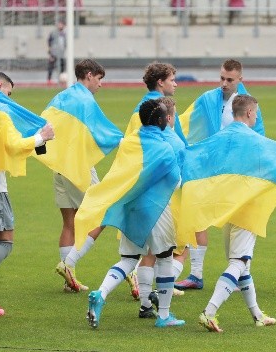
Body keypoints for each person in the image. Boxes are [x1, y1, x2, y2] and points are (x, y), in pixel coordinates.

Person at [177, 94, 276, 332]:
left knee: (243, 265)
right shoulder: (254, 140)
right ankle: (209, 312)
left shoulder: (220, 137)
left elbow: (196, 154)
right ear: (251, 113)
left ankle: (257, 315)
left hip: (227, 209)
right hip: (247, 209)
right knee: (239, 262)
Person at [83, 99, 185, 329]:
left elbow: (120, 174)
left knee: (129, 260)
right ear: (161, 120)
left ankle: (101, 293)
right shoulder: (165, 148)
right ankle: (164, 316)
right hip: (157, 209)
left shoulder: (129, 143)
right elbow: (175, 182)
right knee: (165, 258)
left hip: (131, 207)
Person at [174, 58, 265, 291]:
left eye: (230, 80)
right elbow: (184, 123)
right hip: (210, 170)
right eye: (222, 78)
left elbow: (260, 139)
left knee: (237, 222)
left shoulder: (249, 105)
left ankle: (241, 275)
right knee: (197, 215)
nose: (224, 83)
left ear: (240, 80)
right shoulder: (207, 99)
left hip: (236, 173)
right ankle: (196, 275)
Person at [38, 59, 124, 293]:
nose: (100, 85)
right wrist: (122, 140)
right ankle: (69, 264)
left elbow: (45, 123)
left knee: (69, 221)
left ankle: (69, 281)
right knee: (104, 214)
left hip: (59, 165)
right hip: (78, 166)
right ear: (88, 75)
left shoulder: (61, 97)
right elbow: (100, 129)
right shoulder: (86, 99)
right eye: (99, 79)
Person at [0, 71, 55, 316]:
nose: (9, 99)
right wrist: (41, 136)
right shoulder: (0, 112)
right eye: (8, 92)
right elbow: (13, 145)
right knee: (5, 241)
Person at [136, 96, 187, 320]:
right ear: (168, 117)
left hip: (143, 203)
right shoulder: (173, 142)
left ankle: (145, 303)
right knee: (179, 252)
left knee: (148, 254)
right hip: (170, 203)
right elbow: (181, 177)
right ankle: (162, 299)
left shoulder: (141, 138)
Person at [47, 20, 66, 84]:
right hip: (54, 53)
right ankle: (49, 80)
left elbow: (64, 44)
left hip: (61, 54)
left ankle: (61, 80)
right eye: (59, 24)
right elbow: (49, 43)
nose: (60, 26)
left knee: (62, 67)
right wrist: (50, 53)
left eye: (62, 24)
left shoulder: (64, 34)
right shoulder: (53, 33)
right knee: (51, 66)